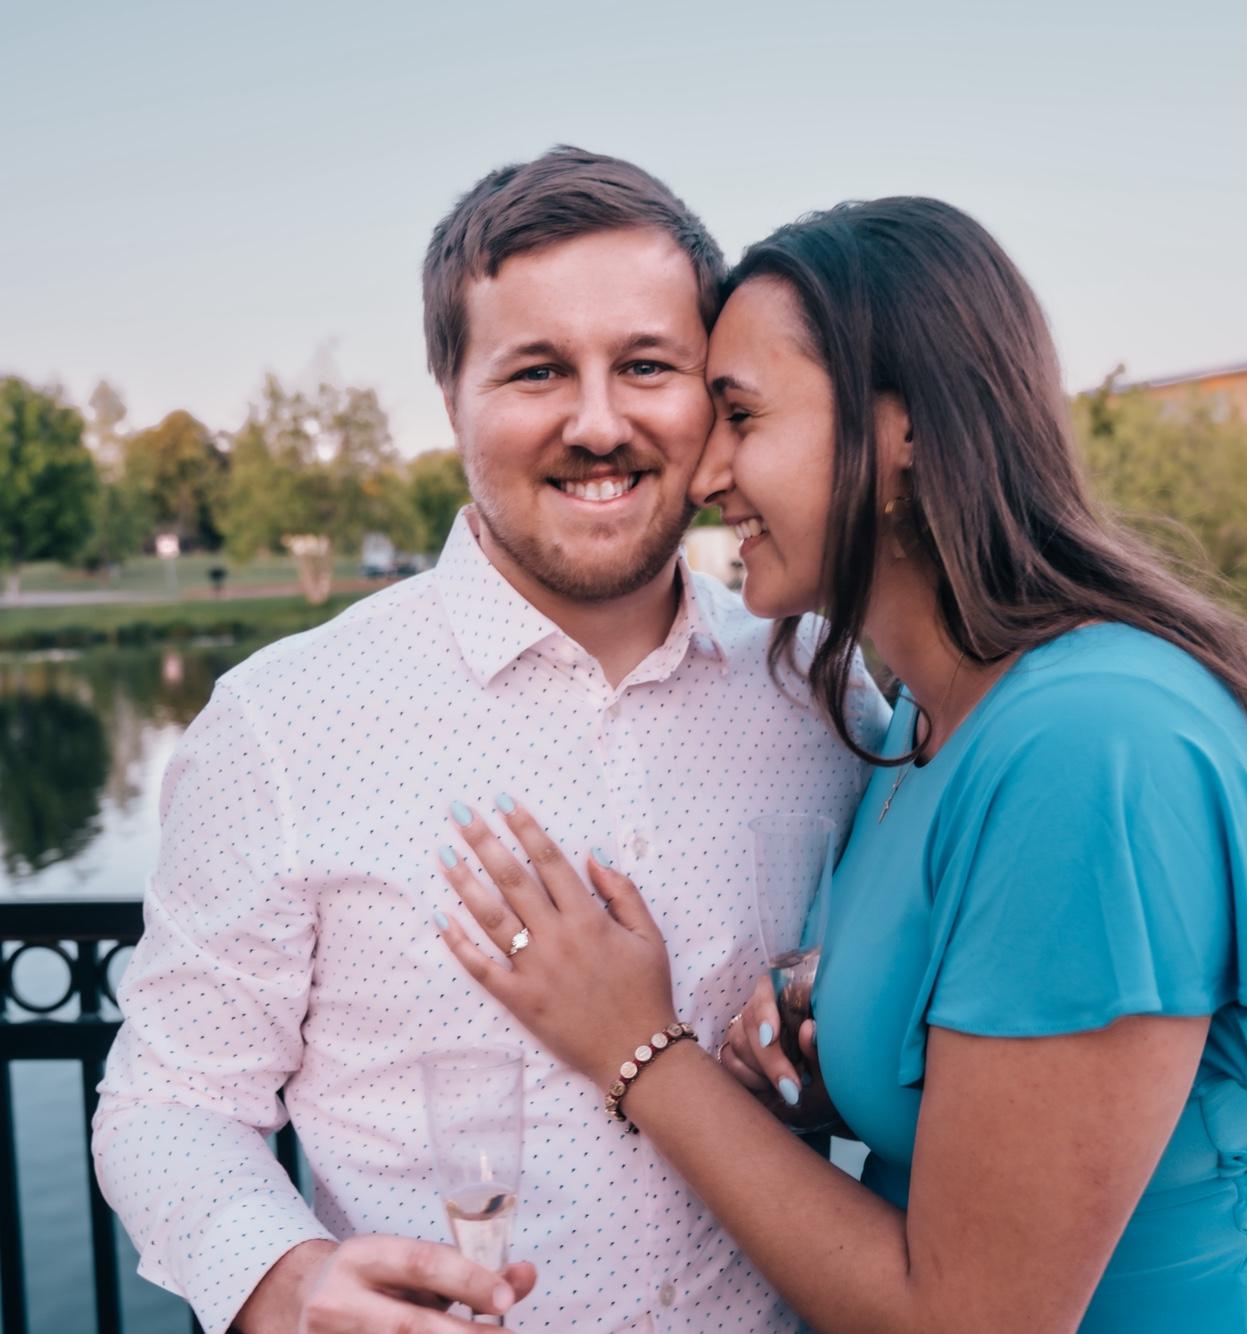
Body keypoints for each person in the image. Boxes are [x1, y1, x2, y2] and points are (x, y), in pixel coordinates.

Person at [434, 196, 1247, 1332]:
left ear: (899, 431)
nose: (702, 469)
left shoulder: (1089, 748)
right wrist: (844, 1045)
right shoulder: (920, 723)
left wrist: (636, 1047)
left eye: (740, 414)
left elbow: (972, 1319)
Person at [92, 148, 883, 1334]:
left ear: (709, 394)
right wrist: (284, 1275)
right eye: (537, 370)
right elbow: (166, 1101)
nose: (598, 421)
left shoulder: (822, 687)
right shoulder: (280, 722)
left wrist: (837, 1020)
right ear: (450, 394)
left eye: (647, 365)